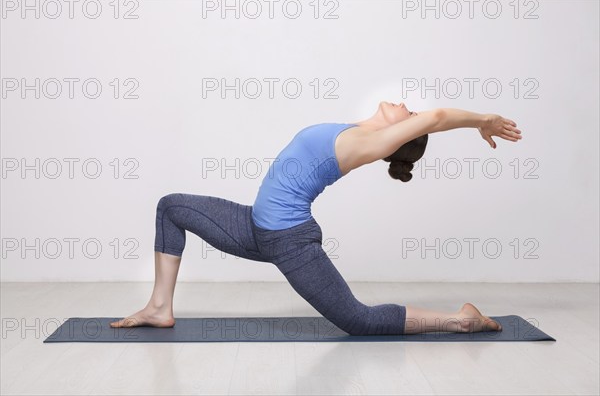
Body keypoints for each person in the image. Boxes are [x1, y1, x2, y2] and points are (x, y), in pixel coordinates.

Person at [110, 101, 522, 335]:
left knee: (358, 320)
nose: (404, 104)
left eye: (409, 112)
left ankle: (460, 321)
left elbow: (433, 119)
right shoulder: (357, 129)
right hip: (255, 226)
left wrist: (484, 121)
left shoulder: (372, 143)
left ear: (404, 133)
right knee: (171, 207)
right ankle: (158, 307)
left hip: (289, 240)